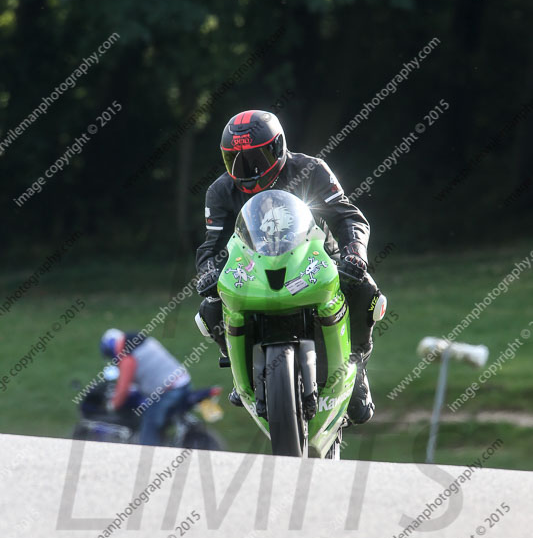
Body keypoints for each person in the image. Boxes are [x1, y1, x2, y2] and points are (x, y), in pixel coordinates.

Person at [195, 109, 386, 425]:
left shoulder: (312, 170)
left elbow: (348, 217)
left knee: (365, 289)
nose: (248, 170)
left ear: (279, 146)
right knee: (210, 309)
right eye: (236, 161)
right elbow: (211, 245)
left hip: (316, 258)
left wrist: (355, 253)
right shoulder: (220, 191)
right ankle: (237, 366)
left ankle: (357, 365)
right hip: (252, 268)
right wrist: (207, 272)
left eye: (256, 158)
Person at [99, 329, 192, 445]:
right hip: (182, 383)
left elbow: (123, 389)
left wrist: (112, 406)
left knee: (150, 425)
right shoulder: (140, 343)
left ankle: (148, 457)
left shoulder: (127, 356)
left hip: (171, 390)